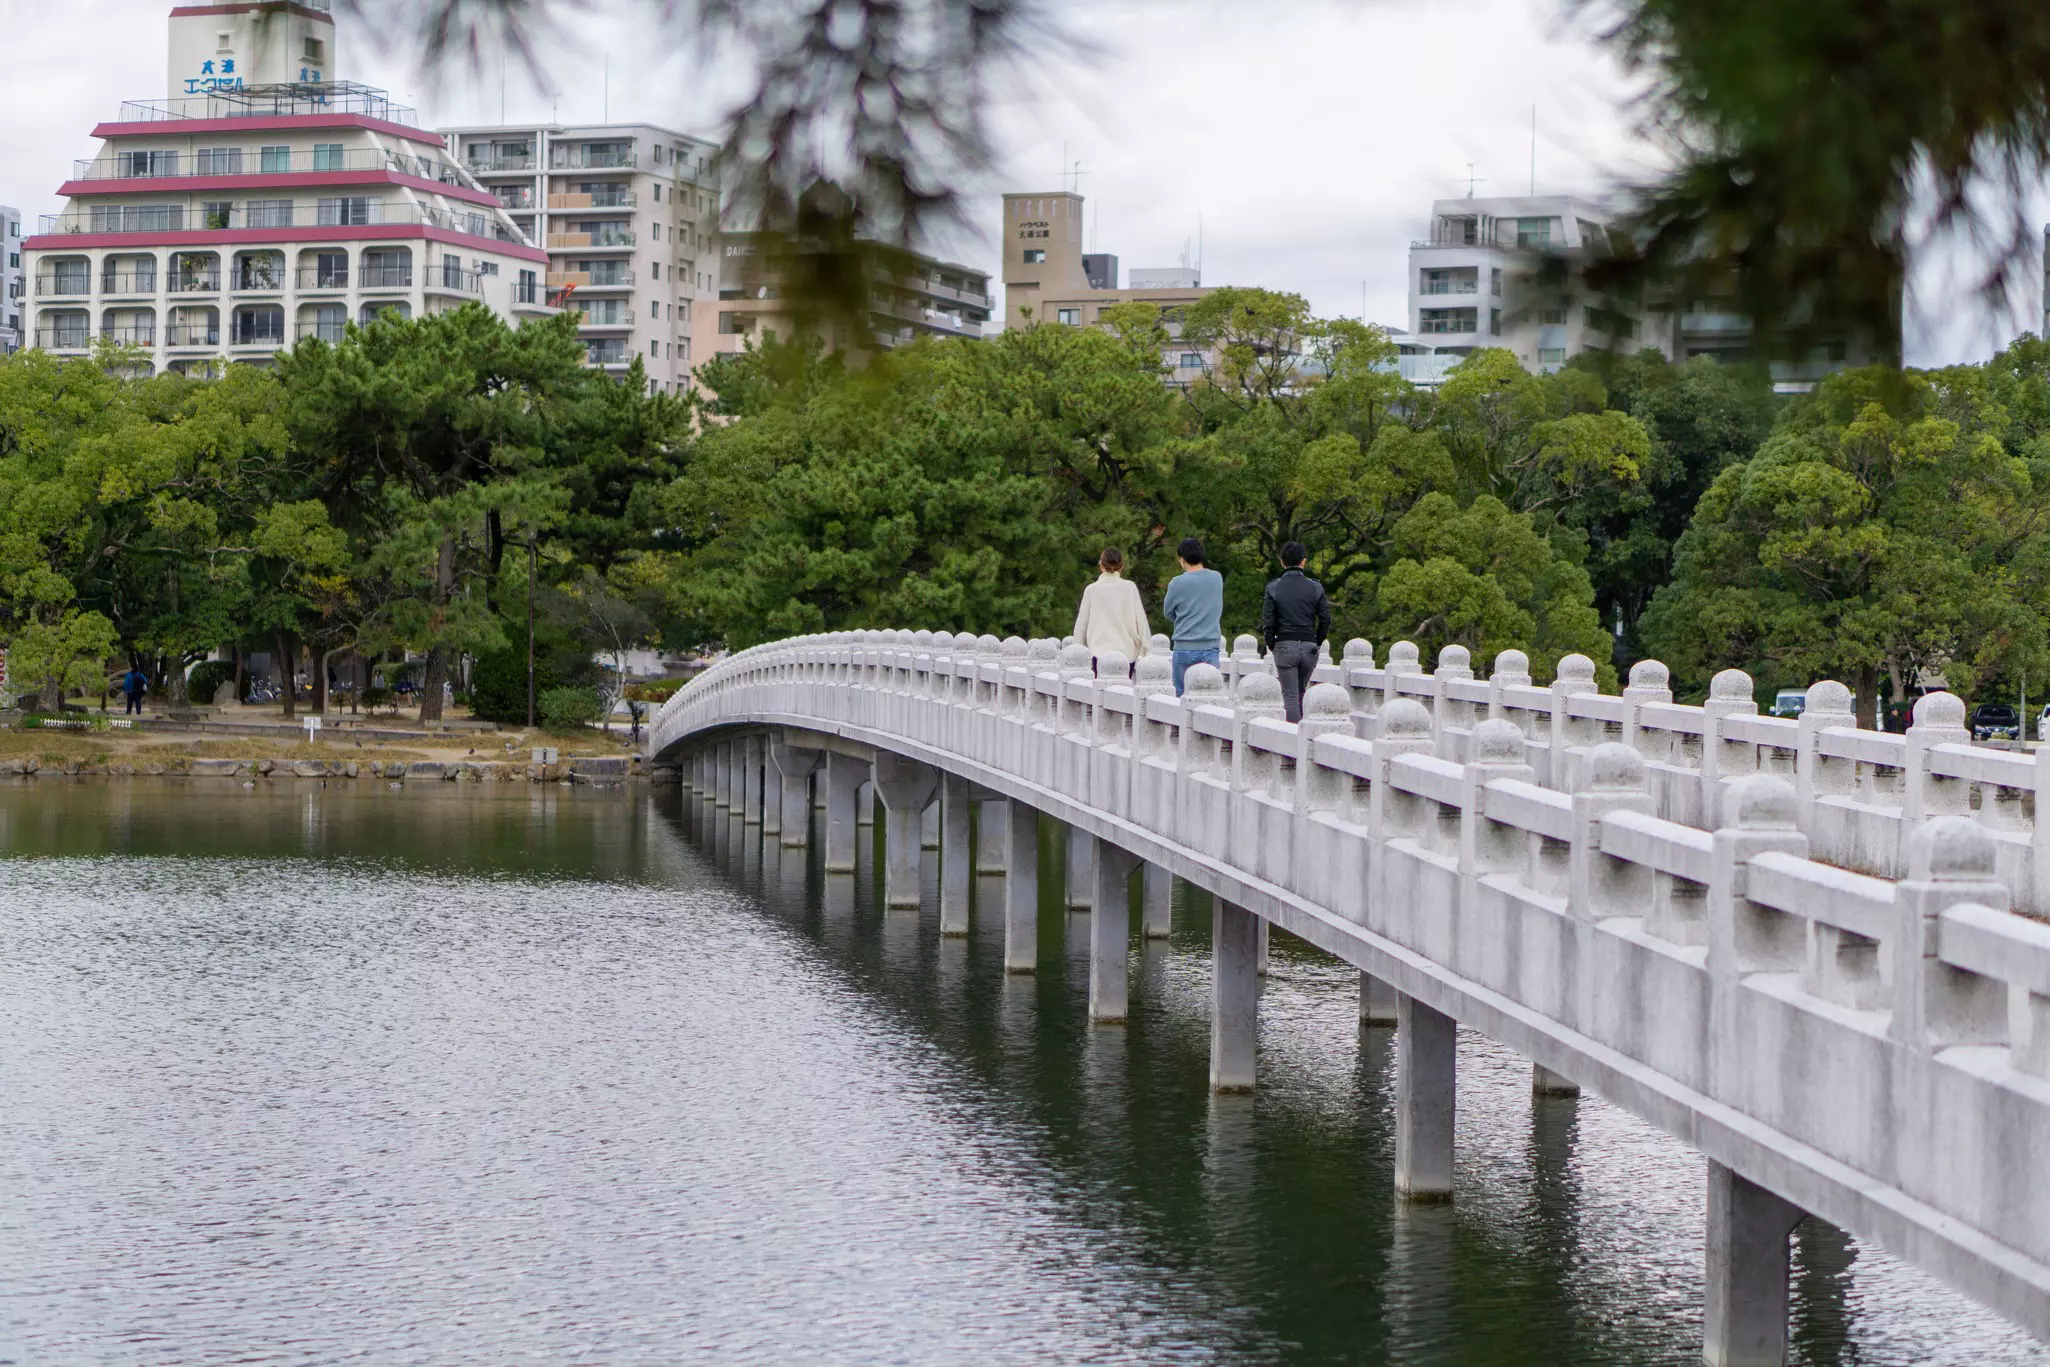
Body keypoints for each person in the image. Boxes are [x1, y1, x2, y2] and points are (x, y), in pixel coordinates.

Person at [1261, 540, 1332, 723]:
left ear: (1282, 562)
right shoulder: (1316, 587)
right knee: (1300, 693)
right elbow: (1325, 619)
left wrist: (1272, 644)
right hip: (1309, 646)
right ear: (1303, 561)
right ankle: (1303, 737)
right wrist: (1317, 641)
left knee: (1290, 698)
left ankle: (1293, 745)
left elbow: (1268, 622)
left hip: (1284, 645)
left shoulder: (1273, 587)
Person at [1071, 547, 1151, 674]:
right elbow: (1141, 620)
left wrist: (1078, 650)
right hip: (1127, 654)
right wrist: (1146, 648)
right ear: (1122, 565)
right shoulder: (1130, 587)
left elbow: (1082, 624)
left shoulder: (1092, 590)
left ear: (1101, 564)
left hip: (1098, 653)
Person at [1161, 536, 1224, 695]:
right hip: (1209, 647)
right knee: (1210, 696)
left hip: (1183, 647)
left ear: (1182, 560)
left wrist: (1185, 618)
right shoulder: (1216, 578)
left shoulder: (1176, 583)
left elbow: (1168, 613)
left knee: (1182, 695)